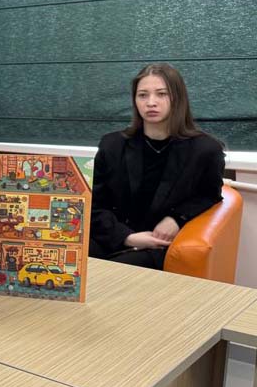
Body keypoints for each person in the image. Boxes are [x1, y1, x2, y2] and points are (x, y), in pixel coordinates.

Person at [89, 63, 225, 270]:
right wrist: (127, 237)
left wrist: (176, 218)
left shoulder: (206, 149)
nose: (151, 103)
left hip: (158, 245)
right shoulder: (112, 144)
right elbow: (95, 203)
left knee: (114, 272)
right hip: (114, 236)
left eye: (162, 94)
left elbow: (209, 195)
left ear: (177, 98)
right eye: (143, 95)